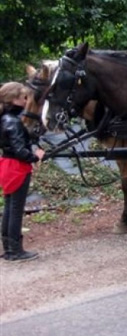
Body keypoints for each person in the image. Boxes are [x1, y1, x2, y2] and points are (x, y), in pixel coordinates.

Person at [1, 82, 44, 262]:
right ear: (15, 100)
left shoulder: (3, 118)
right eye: (24, 98)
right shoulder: (14, 122)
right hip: (17, 167)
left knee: (9, 207)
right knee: (16, 208)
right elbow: (20, 150)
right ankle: (16, 251)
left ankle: (8, 247)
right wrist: (36, 157)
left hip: (6, 164)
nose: (27, 101)